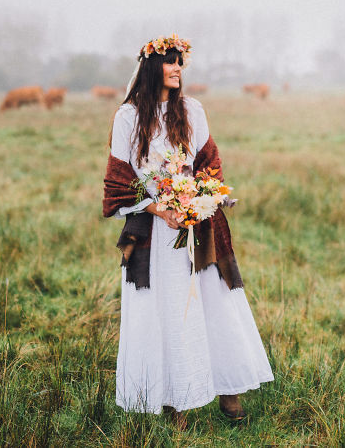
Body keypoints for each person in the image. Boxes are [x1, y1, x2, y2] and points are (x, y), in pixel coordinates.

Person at [102, 35, 273, 429]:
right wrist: (159, 208)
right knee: (164, 308)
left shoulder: (193, 110)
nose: (179, 68)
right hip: (153, 232)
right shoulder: (128, 117)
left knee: (211, 301)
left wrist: (202, 198)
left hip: (196, 227)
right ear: (151, 67)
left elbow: (209, 163)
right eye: (171, 61)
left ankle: (229, 394)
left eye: (181, 62)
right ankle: (174, 400)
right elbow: (120, 179)